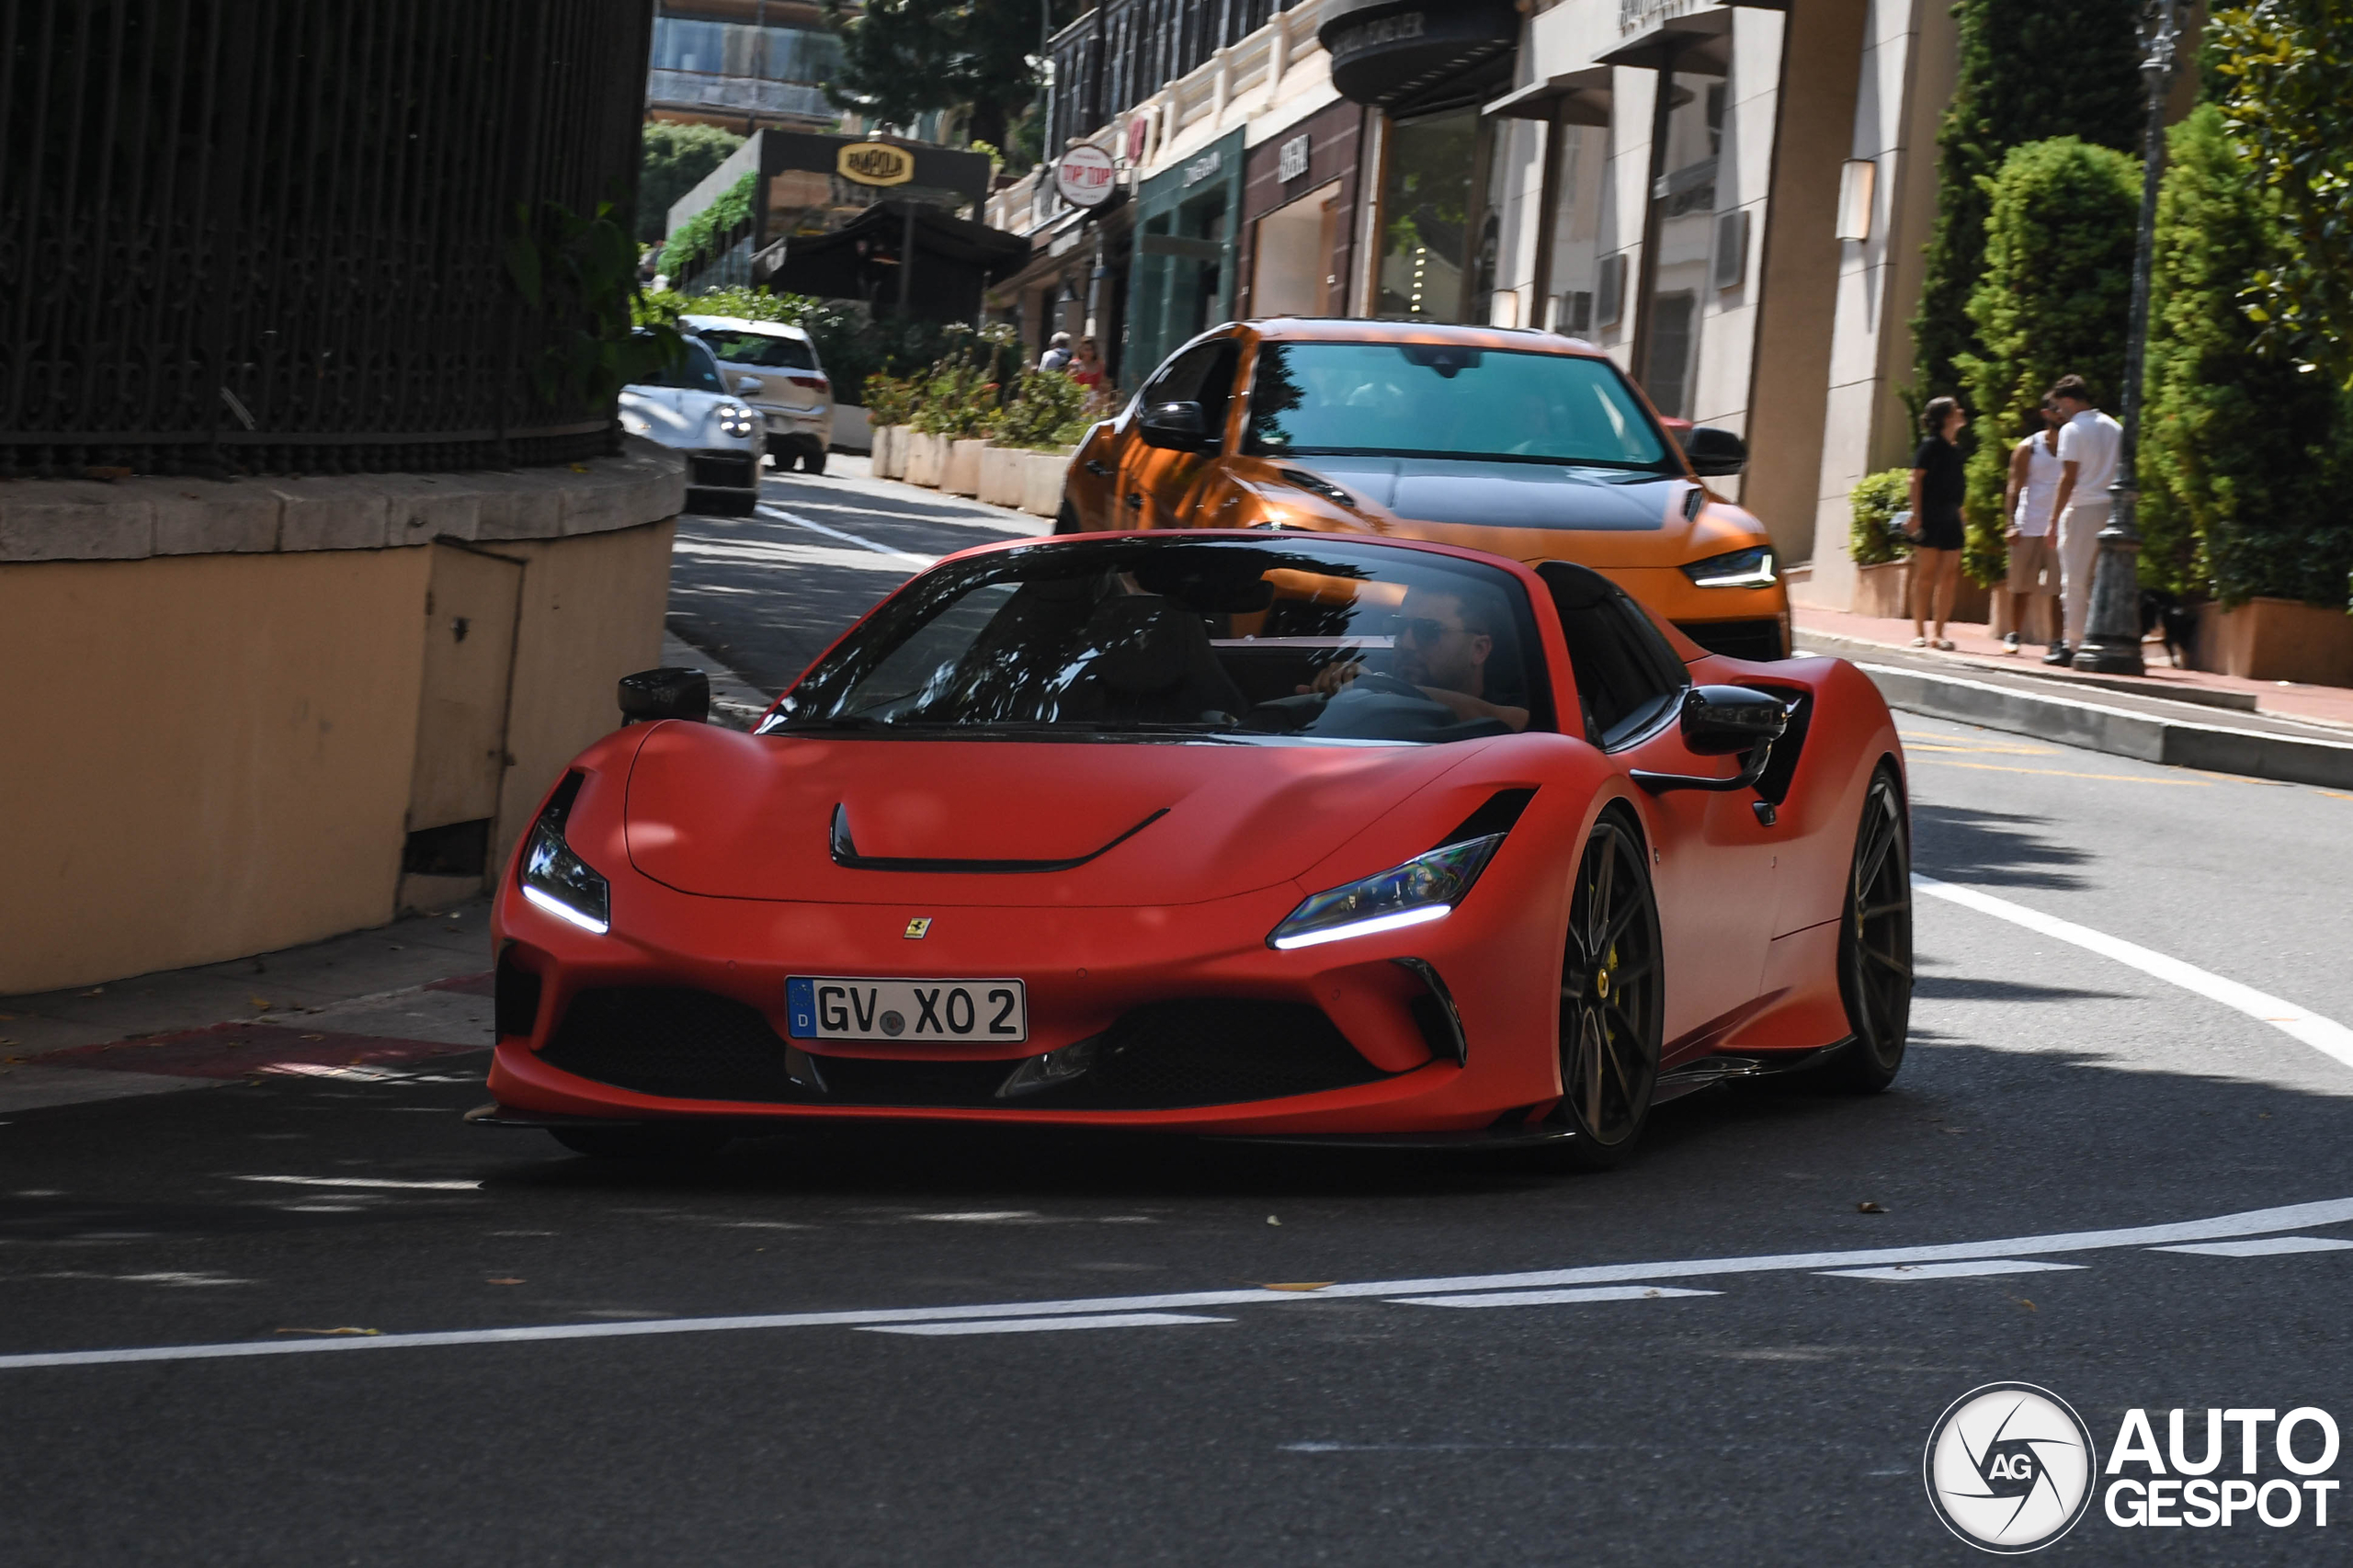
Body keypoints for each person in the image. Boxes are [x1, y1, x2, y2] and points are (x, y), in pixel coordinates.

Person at [1302, 587, 1529, 731]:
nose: (1407, 644)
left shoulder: (1524, 717)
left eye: (1428, 631)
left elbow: (1515, 722)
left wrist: (1382, 690)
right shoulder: (1363, 697)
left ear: (1479, 649)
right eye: (1399, 627)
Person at [2041, 373, 2122, 665]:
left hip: (2084, 508)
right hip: (2113, 510)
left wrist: (2053, 521)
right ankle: (2099, 639)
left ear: (2068, 400)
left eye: (2058, 407)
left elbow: (2068, 478)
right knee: (2103, 581)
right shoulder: (2115, 427)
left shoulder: (2072, 430)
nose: (2057, 413)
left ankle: (2074, 644)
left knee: (2074, 581)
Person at [1999, 397, 2063, 653]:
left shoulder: (2073, 446)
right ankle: (2014, 633)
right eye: (2057, 410)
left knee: (2058, 588)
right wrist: (2010, 524)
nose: (2062, 415)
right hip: (2029, 524)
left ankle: (2057, 640)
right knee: (2020, 585)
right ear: (2046, 413)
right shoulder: (2029, 447)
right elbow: (2013, 489)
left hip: (2059, 526)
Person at [1906, 396, 1968, 650]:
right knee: (1926, 573)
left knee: (1950, 575)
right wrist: (1916, 514)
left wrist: (1962, 516)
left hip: (1951, 516)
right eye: (1956, 410)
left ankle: (1939, 633)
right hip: (1930, 515)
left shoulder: (1956, 450)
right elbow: (1915, 480)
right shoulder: (1930, 446)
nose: (1961, 412)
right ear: (1945, 417)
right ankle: (1919, 632)